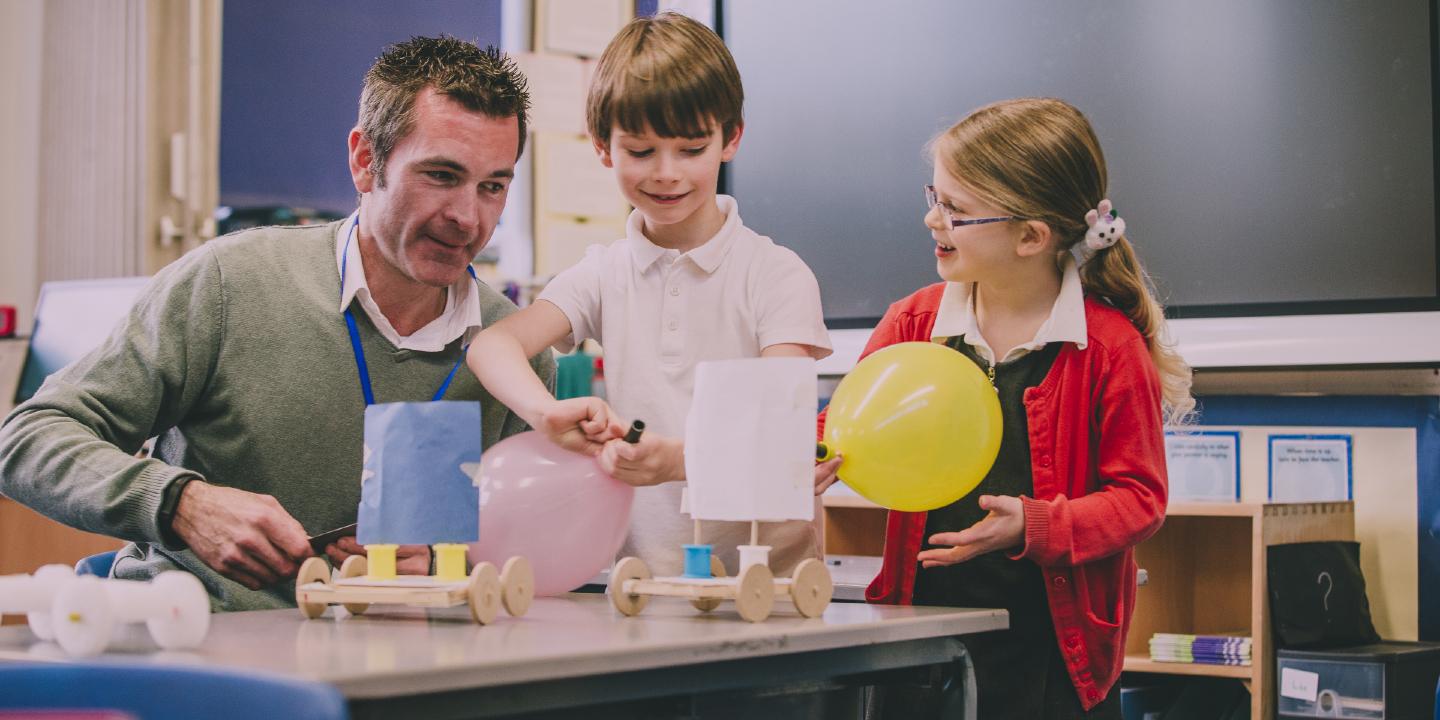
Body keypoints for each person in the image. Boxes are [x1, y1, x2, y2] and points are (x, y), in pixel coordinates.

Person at [0, 37, 554, 612]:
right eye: (441, 175)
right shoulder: (228, 284)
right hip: (202, 646)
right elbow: (25, 440)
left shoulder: (517, 350)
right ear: (365, 161)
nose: (469, 218)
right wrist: (182, 504)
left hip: (408, 667)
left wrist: (455, 562)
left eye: (493, 186)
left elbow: (527, 545)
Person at [815, 98, 1191, 718]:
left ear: (1031, 236)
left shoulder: (1109, 349)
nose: (932, 220)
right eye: (934, 197)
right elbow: (848, 425)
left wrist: (1034, 526)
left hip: (1049, 654)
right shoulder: (912, 322)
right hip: (922, 640)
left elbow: (1139, 499)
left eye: (954, 210)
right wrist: (814, 450)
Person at [467, 13, 832, 578]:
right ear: (603, 148)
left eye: (691, 149)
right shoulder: (603, 273)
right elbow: (493, 346)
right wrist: (546, 414)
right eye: (640, 151)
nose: (666, 173)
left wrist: (676, 461)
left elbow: (776, 432)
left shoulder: (776, 275)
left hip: (771, 592)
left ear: (730, 138)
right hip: (641, 589)